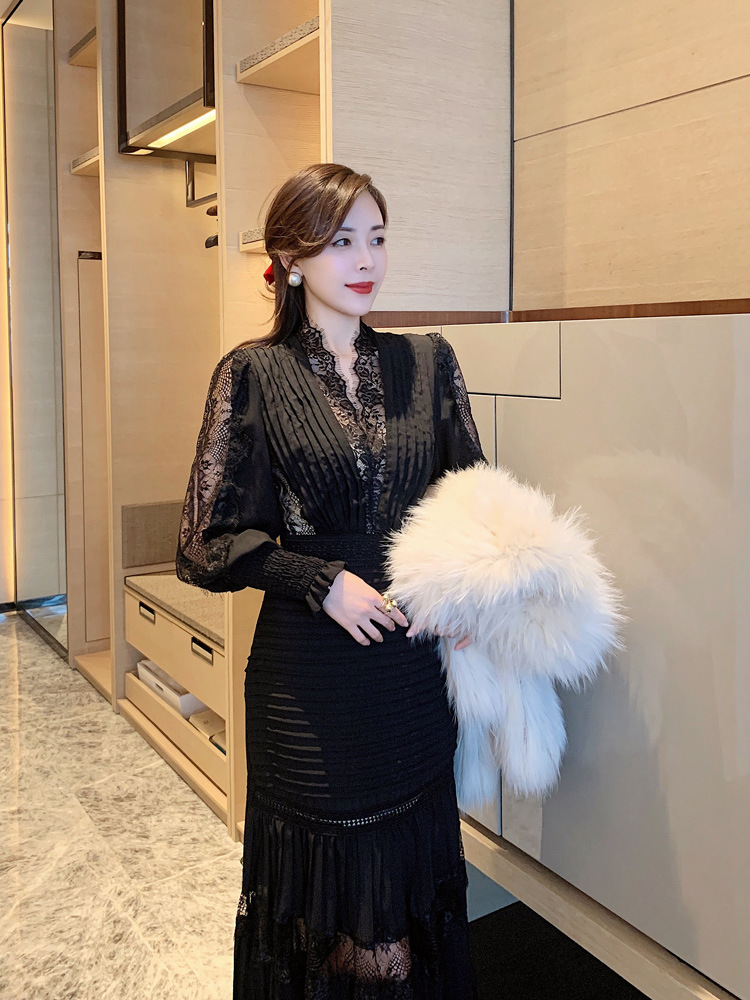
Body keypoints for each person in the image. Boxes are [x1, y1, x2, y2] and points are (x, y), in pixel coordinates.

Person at [176, 162, 486, 999]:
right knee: (327, 928)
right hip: (309, 689)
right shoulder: (252, 373)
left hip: (411, 682)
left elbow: (473, 503)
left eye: (377, 238)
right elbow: (202, 544)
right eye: (341, 241)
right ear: (290, 256)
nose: (366, 260)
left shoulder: (430, 361)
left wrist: (464, 591)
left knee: (405, 916)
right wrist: (318, 579)